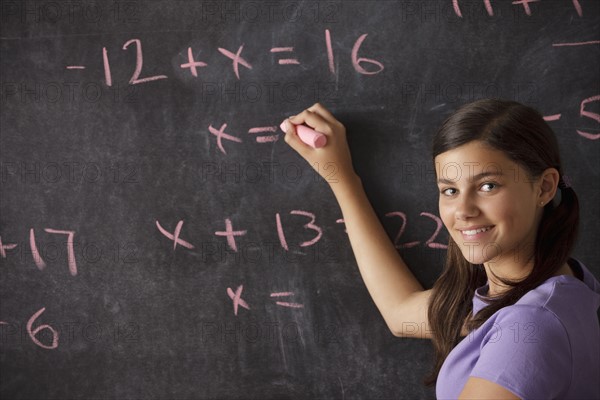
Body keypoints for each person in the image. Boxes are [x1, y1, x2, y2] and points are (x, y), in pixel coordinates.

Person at [281, 99, 600, 399]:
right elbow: (401, 312)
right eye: (449, 190)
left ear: (544, 187)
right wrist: (342, 177)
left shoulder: (528, 327)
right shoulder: (557, 285)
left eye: (488, 186)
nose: (462, 210)